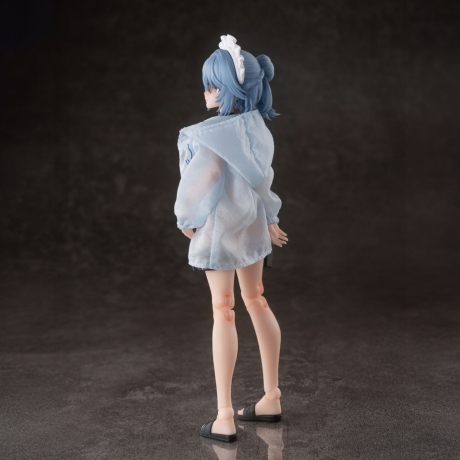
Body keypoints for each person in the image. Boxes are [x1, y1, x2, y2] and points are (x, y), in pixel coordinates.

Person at [174, 34, 288, 443]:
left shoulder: (209, 134)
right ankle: (271, 396)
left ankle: (224, 417)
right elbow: (262, 177)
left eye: (213, 85)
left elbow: (205, 178)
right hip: (252, 224)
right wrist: (271, 215)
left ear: (230, 89)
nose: (206, 92)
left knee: (223, 309)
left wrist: (185, 217)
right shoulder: (256, 125)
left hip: (221, 229)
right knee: (256, 298)